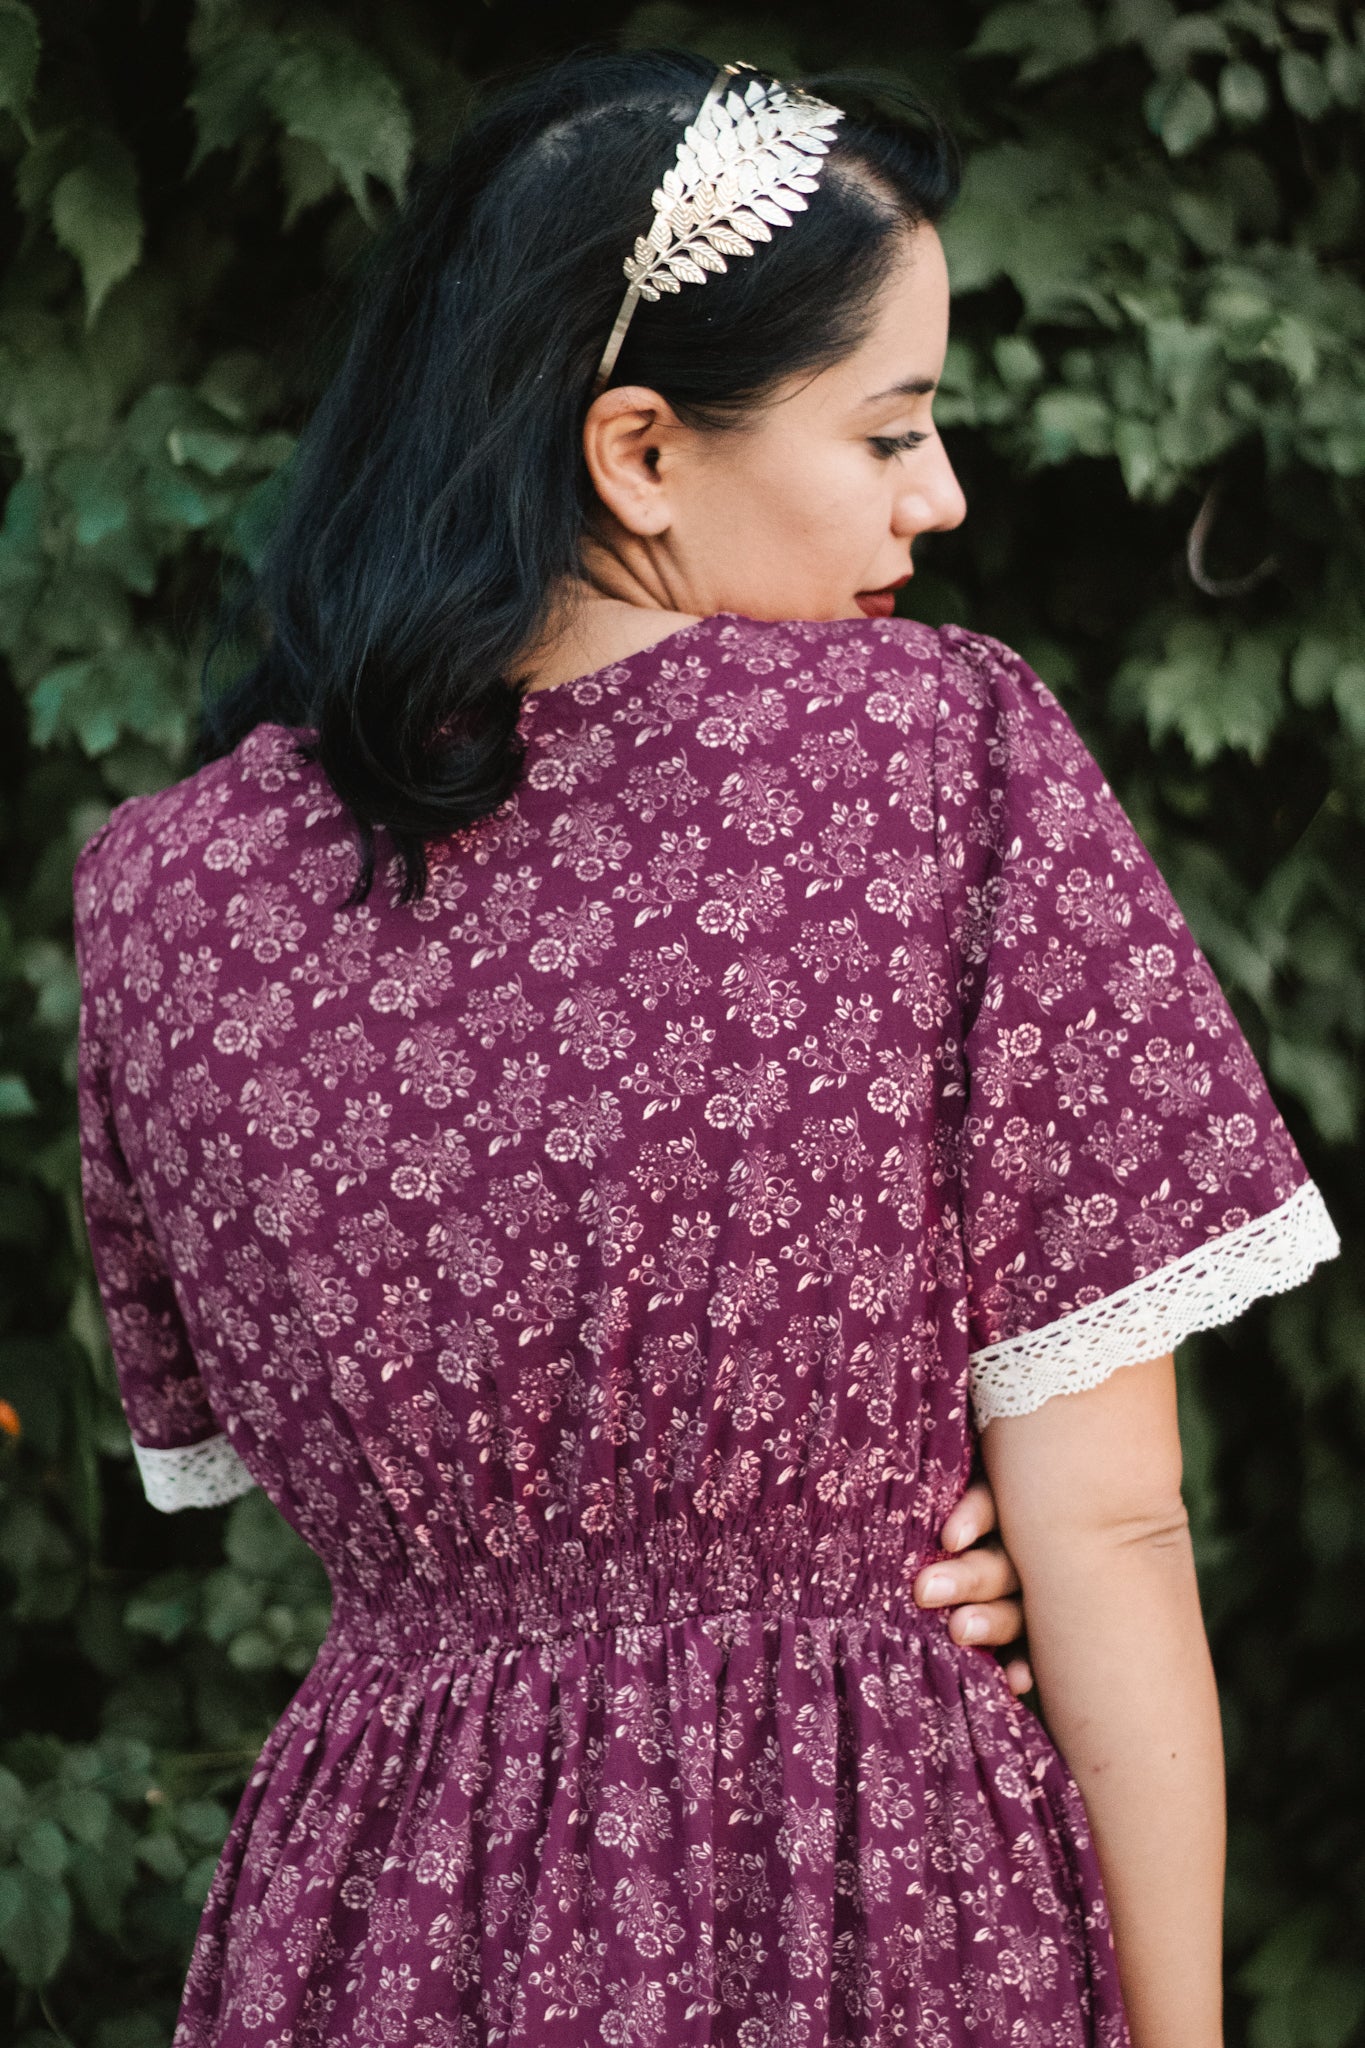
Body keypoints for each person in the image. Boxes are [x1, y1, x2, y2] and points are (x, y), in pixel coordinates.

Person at [71, 47, 1339, 2048]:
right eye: (888, 428)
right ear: (638, 450)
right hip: (861, 1881)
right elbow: (1106, 1518)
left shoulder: (164, 896)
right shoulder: (936, 759)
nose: (939, 495)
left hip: (384, 1933)